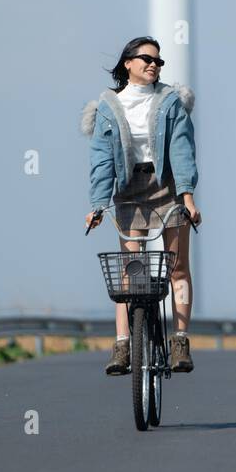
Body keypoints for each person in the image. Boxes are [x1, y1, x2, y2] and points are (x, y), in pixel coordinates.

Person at [82, 36, 202, 374]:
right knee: (130, 270)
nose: (154, 64)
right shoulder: (109, 106)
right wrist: (97, 204)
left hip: (166, 186)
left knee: (177, 266)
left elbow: (181, 150)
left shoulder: (170, 101)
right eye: (147, 58)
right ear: (128, 63)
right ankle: (122, 345)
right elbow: (101, 159)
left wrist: (188, 196)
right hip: (129, 190)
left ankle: (180, 340)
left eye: (158, 61)